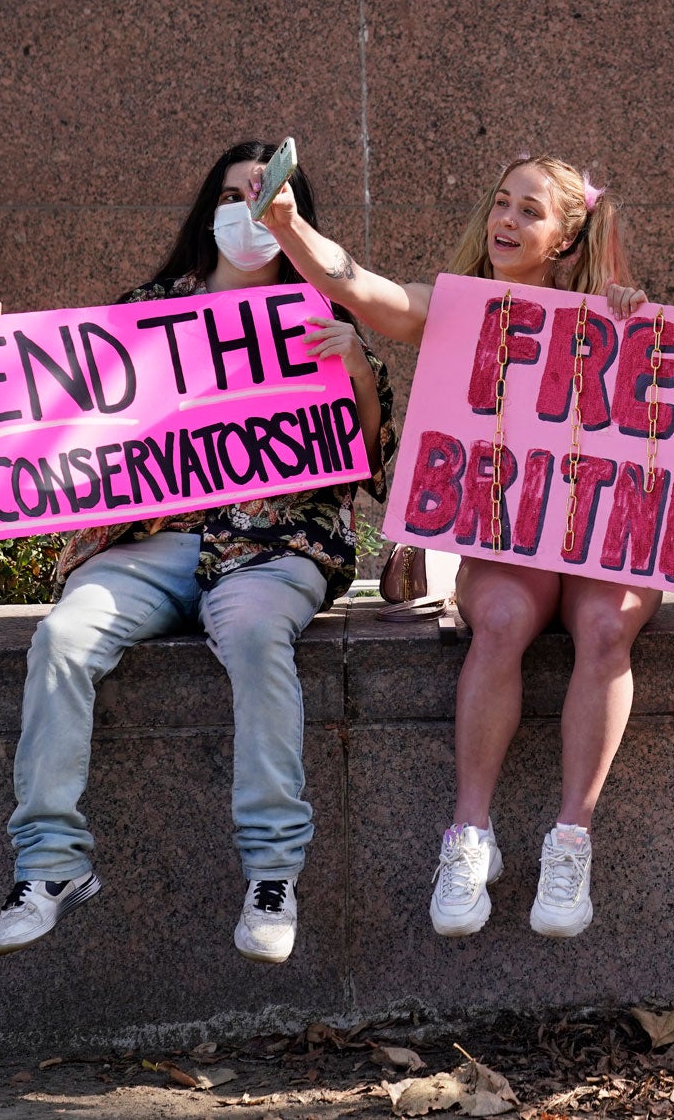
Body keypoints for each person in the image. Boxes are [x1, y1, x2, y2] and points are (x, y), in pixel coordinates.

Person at [0, 141, 395, 965]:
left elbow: (376, 461)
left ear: (296, 215)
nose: (249, 206)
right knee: (63, 639)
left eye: (268, 192)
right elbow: (68, 421)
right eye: (234, 191)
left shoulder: (326, 312)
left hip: (275, 546)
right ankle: (49, 865)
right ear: (207, 208)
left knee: (253, 634)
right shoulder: (145, 309)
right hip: (152, 546)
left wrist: (353, 365)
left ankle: (272, 875)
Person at [261, 153, 646, 940]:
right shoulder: (462, 307)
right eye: (501, 203)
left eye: (529, 211)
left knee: (608, 628)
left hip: (600, 540)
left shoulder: (613, 312)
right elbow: (361, 287)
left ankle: (570, 838)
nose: (506, 220)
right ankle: (470, 835)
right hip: (513, 542)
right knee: (500, 619)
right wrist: (289, 227)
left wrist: (634, 322)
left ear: (567, 236)